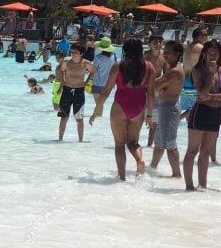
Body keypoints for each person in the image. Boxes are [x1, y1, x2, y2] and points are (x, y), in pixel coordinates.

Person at [89, 38, 155, 181]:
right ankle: (139, 160)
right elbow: (151, 93)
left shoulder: (118, 66)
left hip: (120, 107)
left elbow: (106, 92)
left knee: (119, 145)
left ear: (124, 51)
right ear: (141, 51)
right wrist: (150, 115)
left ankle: (122, 178)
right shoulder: (149, 67)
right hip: (138, 108)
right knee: (133, 142)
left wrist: (95, 112)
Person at [183, 41, 221, 191]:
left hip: (215, 113)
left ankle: (202, 185)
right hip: (200, 112)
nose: (213, 55)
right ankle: (189, 185)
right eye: (209, 52)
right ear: (204, 53)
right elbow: (201, 94)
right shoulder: (197, 70)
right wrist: (210, 74)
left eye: (216, 52)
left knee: (206, 151)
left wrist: (210, 96)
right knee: (192, 150)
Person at [149, 41, 185, 178]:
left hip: (170, 109)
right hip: (165, 106)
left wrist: (160, 89)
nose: (165, 54)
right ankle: (152, 168)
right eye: (165, 51)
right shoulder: (171, 68)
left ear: (177, 54)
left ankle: (176, 174)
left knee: (170, 143)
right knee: (159, 142)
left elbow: (155, 86)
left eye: (168, 52)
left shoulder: (175, 71)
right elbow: (157, 88)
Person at [56, 45, 94, 142]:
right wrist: (61, 84)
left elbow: (93, 71)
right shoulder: (66, 62)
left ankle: (80, 141)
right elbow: (61, 71)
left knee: (79, 118)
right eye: (72, 52)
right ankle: (60, 139)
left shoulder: (85, 63)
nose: (73, 54)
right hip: (67, 90)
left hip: (79, 91)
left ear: (81, 54)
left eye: (75, 52)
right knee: (64, 117)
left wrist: (86, 83)